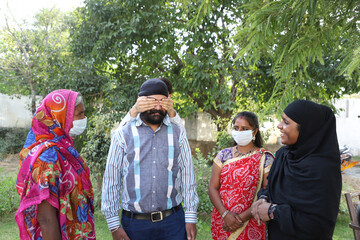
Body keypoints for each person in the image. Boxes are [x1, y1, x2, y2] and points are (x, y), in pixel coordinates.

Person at [101, 78, 199, 240]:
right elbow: (112, 180)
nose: (158, 107)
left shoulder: (177, 132)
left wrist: (190, 217)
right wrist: (113, 225)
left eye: (162, 102)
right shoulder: (122, 134)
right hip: (135, 225)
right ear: (140, 103)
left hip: (173, 223)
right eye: (152, 102)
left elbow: (187, 175)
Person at [251, 100, 342, 240]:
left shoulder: (323, 169)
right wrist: (263, 198)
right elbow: (271, 187)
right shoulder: (284, 156)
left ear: (306, 128)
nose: (279, 126)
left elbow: (318, 225)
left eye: (286, 122)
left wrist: (272, 211)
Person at [15, 89, 95, 239]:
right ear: (59, 117)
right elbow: (46, 218)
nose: (83, 118)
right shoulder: (47, 157)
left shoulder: (64, 148)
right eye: (79, 114)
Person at [209, 111, 274, 240]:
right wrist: (225, 215)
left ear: (254, 132)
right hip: (222, 220)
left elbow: (268, 192)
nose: (239, 131)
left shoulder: (264, 159)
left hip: (252, 220)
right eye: (236, 128)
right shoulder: (223, 155)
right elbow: (212, 188)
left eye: (244, 129)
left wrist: (239, 219)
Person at [118, 77, 184, 128]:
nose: (158, 106)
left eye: (162, 99)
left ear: (169, 97)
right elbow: (119, 136)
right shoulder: (136, 117)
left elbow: (181, 133)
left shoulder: (171, 120)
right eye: (154, 100)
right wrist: (134, 110)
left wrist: (171, 112)